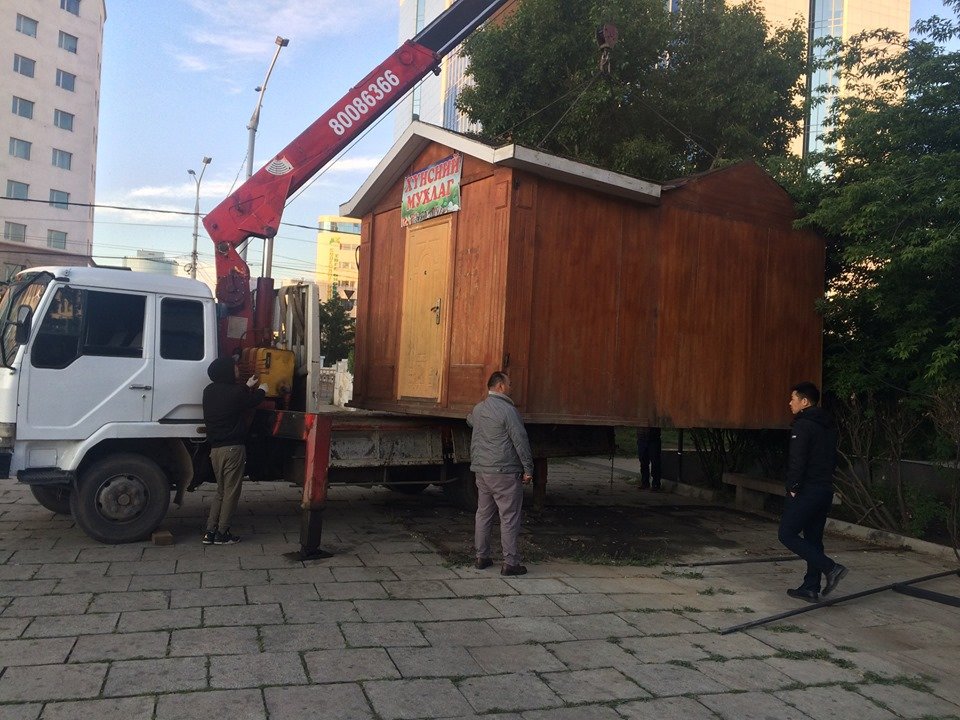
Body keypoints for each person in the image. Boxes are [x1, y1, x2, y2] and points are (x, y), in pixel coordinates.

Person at [778, 381, 847, 602]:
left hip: (807, 490)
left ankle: (831, 568)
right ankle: (810, 587)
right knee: (813, 539)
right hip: (824, 489)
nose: (790, 403)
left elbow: (797, 460)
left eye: (793, 399)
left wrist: (793, 487)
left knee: (786, 533)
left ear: (805, 401)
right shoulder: (828, 426)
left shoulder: (803, 425)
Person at [467, 371, 534, 576]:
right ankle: (510, 563)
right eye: (509, 383)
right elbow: (520, 441)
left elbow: (469, 420)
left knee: (483, 514)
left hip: (482, 471)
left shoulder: (478, 409)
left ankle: (481, 557)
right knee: (509, 517)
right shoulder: (509, 411)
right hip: (504, 472)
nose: (512, 387)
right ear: (501, 386)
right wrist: (528, 469)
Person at [201, 357, 266, 545]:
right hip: (233, 450)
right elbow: (250, 401)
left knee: (221, 491)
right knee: (231, 492)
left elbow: (234, 398)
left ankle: (210, 531)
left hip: (215, 450)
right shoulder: (235, 392)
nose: (237, 369)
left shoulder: (208, 391)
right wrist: (262, 390)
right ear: (226, 371)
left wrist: (247, 385)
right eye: (234, 367)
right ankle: (223, 533)